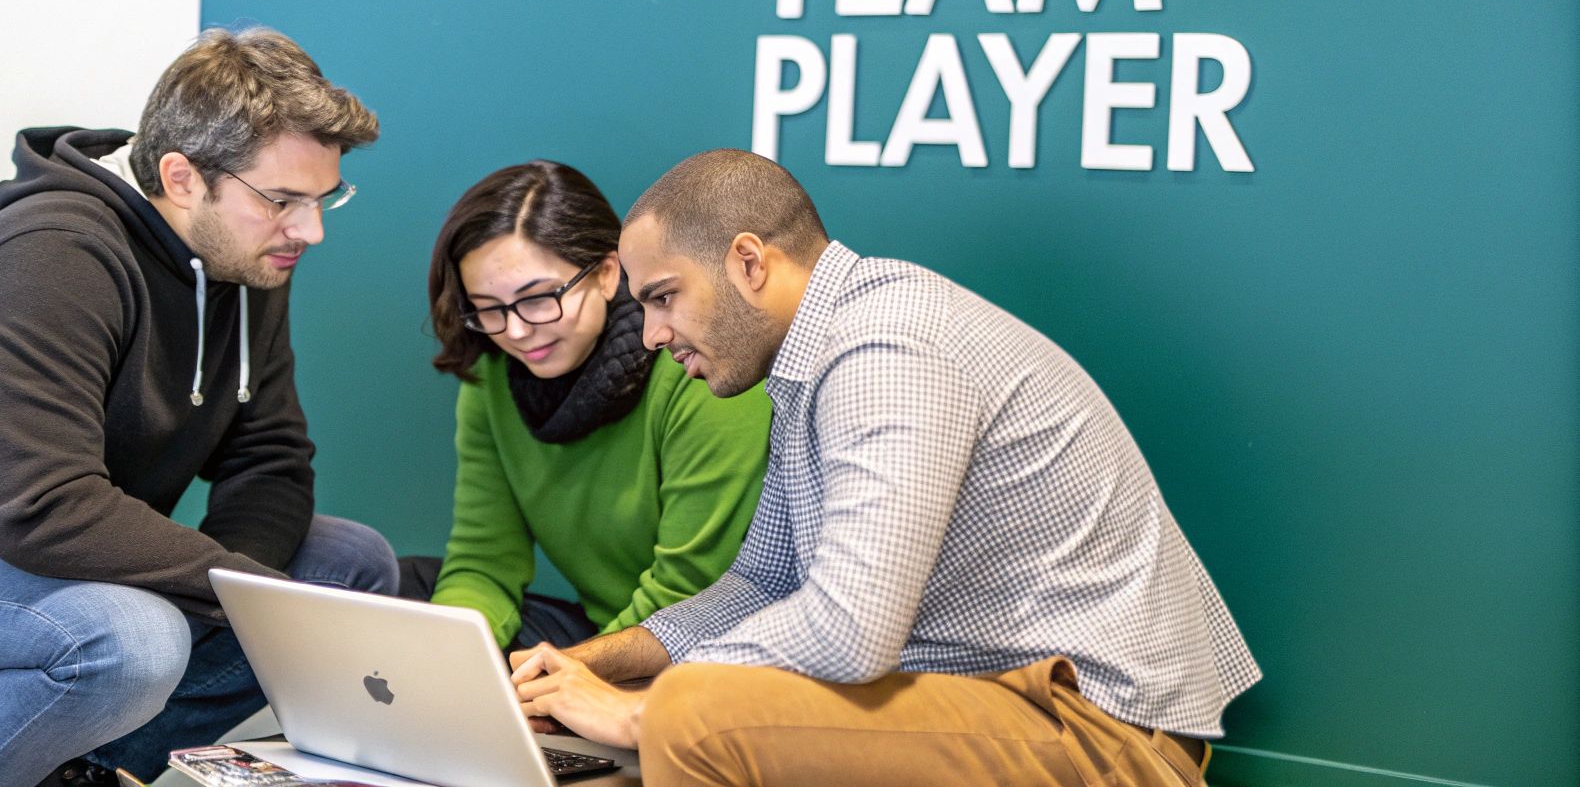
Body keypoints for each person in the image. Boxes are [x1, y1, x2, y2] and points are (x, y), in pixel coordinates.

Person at [0, 27, 400, 787]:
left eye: (325, 198)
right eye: (284, 200)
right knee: (134, 638)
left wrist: (261, 600)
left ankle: (73, 768)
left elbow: (271, 460)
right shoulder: (49, 255)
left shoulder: (248, 258)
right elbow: (45, 510)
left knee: (347, 567)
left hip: (55, 582)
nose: (311, 229)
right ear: (184, 177)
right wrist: (247, 598)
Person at [510, 148, 1261, 787]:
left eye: (665, 297)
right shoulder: (815, 361)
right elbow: (760, 587)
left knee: (690, 713)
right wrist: (596, 665)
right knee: (667, 698)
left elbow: (849, 632)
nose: (651, 335)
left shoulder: (886, 349)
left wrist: (645, 706)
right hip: (983, 701)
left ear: (748, 262)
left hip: (1100, 736)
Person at [398, 160, 770, 650]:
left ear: (606, 272)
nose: (515, 331)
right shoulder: (490, 380)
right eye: (487, 308)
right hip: (600, 633)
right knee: (402, 587)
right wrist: (448, 658)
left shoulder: (698, 369)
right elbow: (485, 560)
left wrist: (567, 678)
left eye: (537, 299)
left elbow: (689, 590)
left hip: (704, 640)